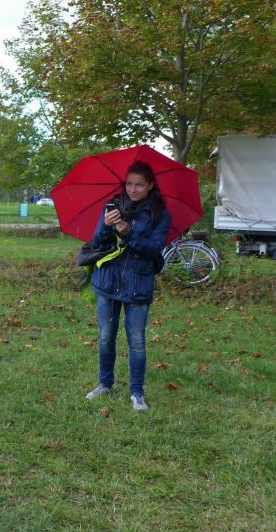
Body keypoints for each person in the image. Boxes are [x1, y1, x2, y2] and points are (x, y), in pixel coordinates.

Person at [84, 161, 171, 412]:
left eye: (139, 185)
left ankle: (137, 393)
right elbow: (96, 242)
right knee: (105, 337)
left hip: (137, 284)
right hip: (107, 281)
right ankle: (105, 384)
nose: (132, 190)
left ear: (150, 185)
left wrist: (128, 233)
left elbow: (153, 249)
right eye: (129, 184)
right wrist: (107, 225)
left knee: (137, 341)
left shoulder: (159, 215)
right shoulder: (112, 206)